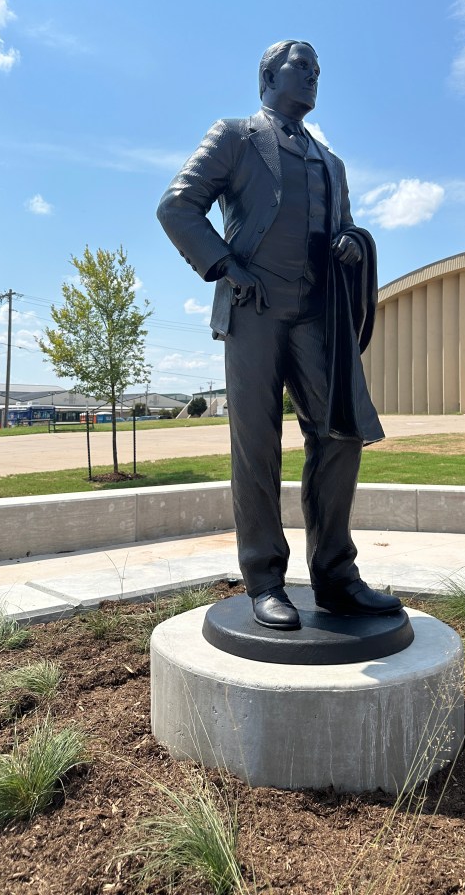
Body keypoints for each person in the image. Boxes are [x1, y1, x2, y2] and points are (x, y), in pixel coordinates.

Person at [157, 40, 402, 629]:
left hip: (317, 315)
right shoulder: (236, 136)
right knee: (257, 445)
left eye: (319, 69)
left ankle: (337, 576)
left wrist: (350, 243)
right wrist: (226, 267)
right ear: (267, 75)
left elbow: (341, 228)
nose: (314, 76)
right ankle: (265, 578)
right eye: (302, 67)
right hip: (255, 309)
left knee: (340, 431)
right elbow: (177, 206)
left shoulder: (330, 163)